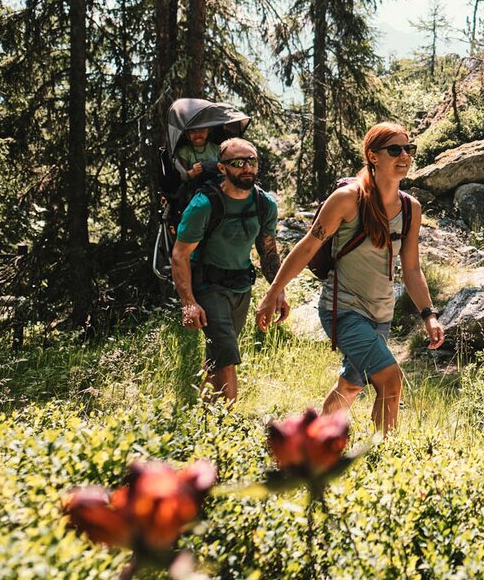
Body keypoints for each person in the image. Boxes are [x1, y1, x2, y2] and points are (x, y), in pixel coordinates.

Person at [254, 122, 445, 434]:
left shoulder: (411, 208)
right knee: (390, 378)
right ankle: (385, 452)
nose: (404, 156)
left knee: (351, 385)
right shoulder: (347, 199)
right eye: (394, 149)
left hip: (381, 314)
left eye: (408, 149)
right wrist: (273, 292)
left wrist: (429, 315)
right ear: (373, 155)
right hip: (342, 310)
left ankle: (316, 439)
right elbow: (307, 248)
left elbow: (412, 269)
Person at [172, 138, 288, 403]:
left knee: (218, 356)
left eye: (251, 161)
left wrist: (278, 292)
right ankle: (230, 422)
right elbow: (180, 254)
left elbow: (268, 252)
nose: (246, 167)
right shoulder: (203, 205)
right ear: (222, 168)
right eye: (237, 162)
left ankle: (205, 415)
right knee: (227, 357)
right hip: (208, 287)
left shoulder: (265, 204)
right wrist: (188, 303)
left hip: (241, 288)